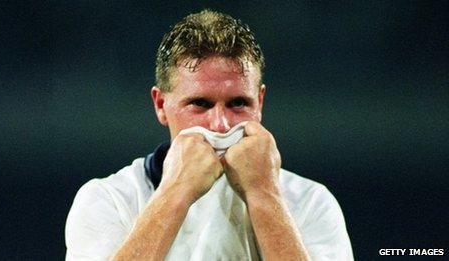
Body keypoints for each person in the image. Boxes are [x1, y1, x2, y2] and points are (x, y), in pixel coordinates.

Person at [65, 10, 353, 260]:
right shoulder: (109, 200)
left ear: (260, 103)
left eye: (238, 103)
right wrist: (177, 192)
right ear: (161, 105)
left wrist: (263, 194)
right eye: (200, 104)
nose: (220, 124)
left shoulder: (311, 202)